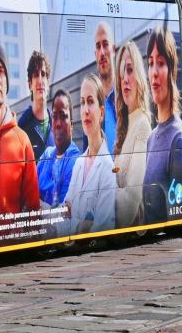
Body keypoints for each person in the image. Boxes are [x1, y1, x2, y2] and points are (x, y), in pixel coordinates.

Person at [0, 43, 40, 241]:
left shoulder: (22, 141)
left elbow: (33, 208)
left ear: (7, 80)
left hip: (11, 252)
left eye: (1, 71)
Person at [61, 74, 117, 236]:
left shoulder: (107, 167)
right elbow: (64, 213)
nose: (85, 110)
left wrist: (75, 223)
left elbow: (102, 228)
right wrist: (81, 225)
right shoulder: (79, 163)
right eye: (82, 102)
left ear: (101, 112)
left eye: (91, 101)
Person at [142, 27, 182, 224]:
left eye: (160, 63)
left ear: (172, 71)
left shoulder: (178, 138)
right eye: (151, 64)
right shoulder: (151, 138)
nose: (154, 73)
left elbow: (177, 212)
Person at [112, 41, 153, 227]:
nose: (125, 79)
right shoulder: (124, 127)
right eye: (121, 74)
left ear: (139, 75)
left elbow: (131, 202)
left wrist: (104, 193)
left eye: (129, 70)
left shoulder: (142, 125)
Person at [37, 89, 81, 207]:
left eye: (63, 116)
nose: (57, 123)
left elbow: (61, 217)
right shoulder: (46, 155)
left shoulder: (76, 162)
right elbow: (28, 191)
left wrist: (35, 204)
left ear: (71, 124)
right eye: (54, 117)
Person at [16, 50, 53, 154]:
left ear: (48, 82)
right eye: (36, 75)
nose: (40, 80)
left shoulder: (57, 124)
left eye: (43, 74)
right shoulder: (21, 128)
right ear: (29, 84)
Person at [93, 21, 119, 152]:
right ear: (95, 54)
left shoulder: (127, 97)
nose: (102, 52)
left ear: (113, 49)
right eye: (98, 46)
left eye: (105, 44)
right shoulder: (92, 105)